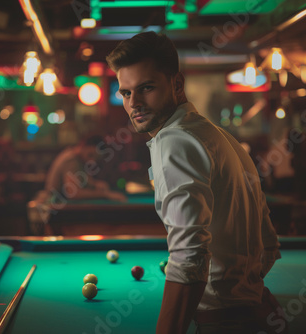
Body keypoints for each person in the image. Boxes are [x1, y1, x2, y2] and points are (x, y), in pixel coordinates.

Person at [106, 31, 287, 334]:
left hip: (226, 321)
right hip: (261, 310)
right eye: (126, 93)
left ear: (176, 84)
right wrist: (243, 290)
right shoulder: (216, 135)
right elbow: (268, 244)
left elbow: (189, 255)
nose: (134, 103)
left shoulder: (173, 140)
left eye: (146, 88)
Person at [44, 134, 127, 203]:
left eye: (95, 158)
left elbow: (84, 182)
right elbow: (73, 193)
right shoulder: (71, 160)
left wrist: (96, 184)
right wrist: (105, 194)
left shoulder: (77, 159)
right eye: (90, 155)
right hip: (53, 208)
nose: (92, 161)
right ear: (82, 146)